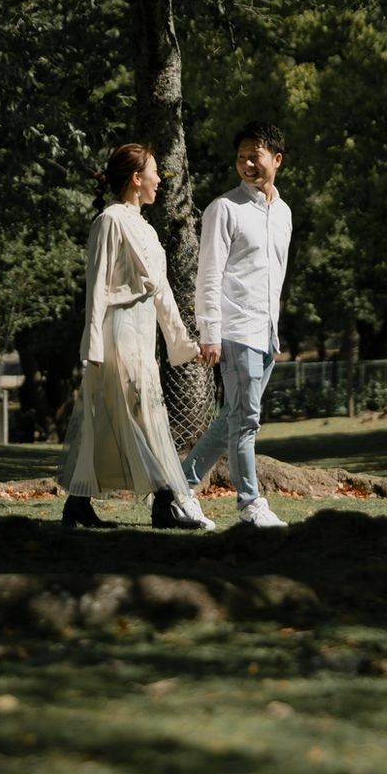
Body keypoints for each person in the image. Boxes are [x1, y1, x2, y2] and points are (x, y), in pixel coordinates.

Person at [60, 143, 212, 531]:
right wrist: (94, 344)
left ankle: (78, 503)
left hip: (144, 335)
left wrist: (182, 342)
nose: (159, 179)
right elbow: (97, 285)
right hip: (119, 332)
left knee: (131, 416)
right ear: (136, 178)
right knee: (139, 416)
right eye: (154, 172)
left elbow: (161, 292)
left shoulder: (146, 228)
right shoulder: (110, 221)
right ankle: (165, 502)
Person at [178, 121, 293, 530]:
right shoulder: (224, 209)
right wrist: (210, 333)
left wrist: (275, 332)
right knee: (246, 421)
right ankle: (250, 504)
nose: (247, 164)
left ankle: (178, 488)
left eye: (254, 156)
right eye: (241, 157)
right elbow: (208, 275)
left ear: (276, 160)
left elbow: (276, 277)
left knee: (232, 417)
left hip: (266, 332)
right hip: (236, 329)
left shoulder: (284, 213)